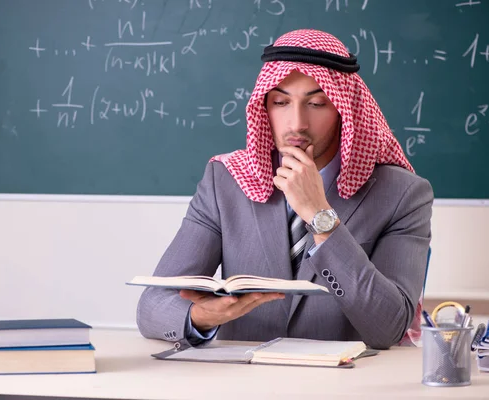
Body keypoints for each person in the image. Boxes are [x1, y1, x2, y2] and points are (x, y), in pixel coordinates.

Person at [136, 29, 433, 350]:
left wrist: (321, 217)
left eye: (317, 103)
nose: (297, 123)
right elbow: (152, 307)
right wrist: (200, 316)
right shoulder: (224, 181)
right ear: (264, 107)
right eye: (280, 102)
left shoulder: (403, 193)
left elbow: (388, 328)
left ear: (344, 111)